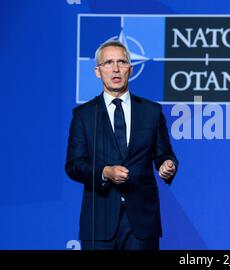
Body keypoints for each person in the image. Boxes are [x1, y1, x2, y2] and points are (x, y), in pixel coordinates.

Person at [65, 40, 178, 250]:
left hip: (142, 222)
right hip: (98, 223)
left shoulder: (151, 112)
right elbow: (73, 165)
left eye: (121, 62)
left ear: (130, 69)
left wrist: (167, 165)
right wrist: (105, 172)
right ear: (98, 71)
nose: (115, 69)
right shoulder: (84, 115)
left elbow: (164, 155)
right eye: (108, 63)